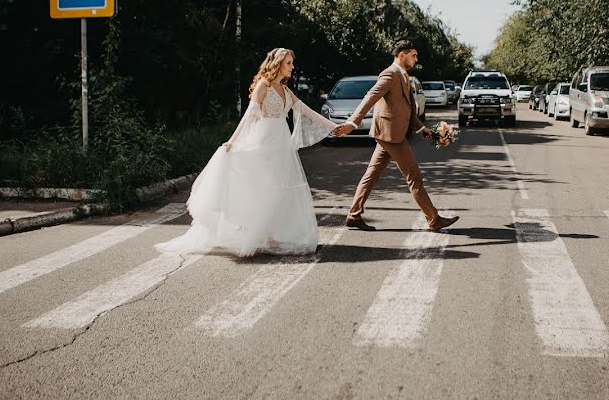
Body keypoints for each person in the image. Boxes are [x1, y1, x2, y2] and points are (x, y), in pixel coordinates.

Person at [155, 48, 345, 256]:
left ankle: (272, 235)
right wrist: (233, 141)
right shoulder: (263, 85)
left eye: (292, 63)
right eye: (288, 63)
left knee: (278, 190)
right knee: (261, 188)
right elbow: (249, 115)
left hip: (281, 145)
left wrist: (332, 126)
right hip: (263, 141)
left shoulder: (285, 90)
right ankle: (250, 230)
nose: (292, 67)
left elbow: (305, 110)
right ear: (278, 64)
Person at [335, 39, 459, 232]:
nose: (416, 59)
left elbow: (407, 108)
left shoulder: (404, 76)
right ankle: (434, 219)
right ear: (402, 55)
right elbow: (370, 97)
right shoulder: (390, 74)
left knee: (371, 175)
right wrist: (353, 122)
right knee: (414, 177)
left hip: (389, 134)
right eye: (414, 55)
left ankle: (354, 215)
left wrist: (421, 128)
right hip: (391, 135)